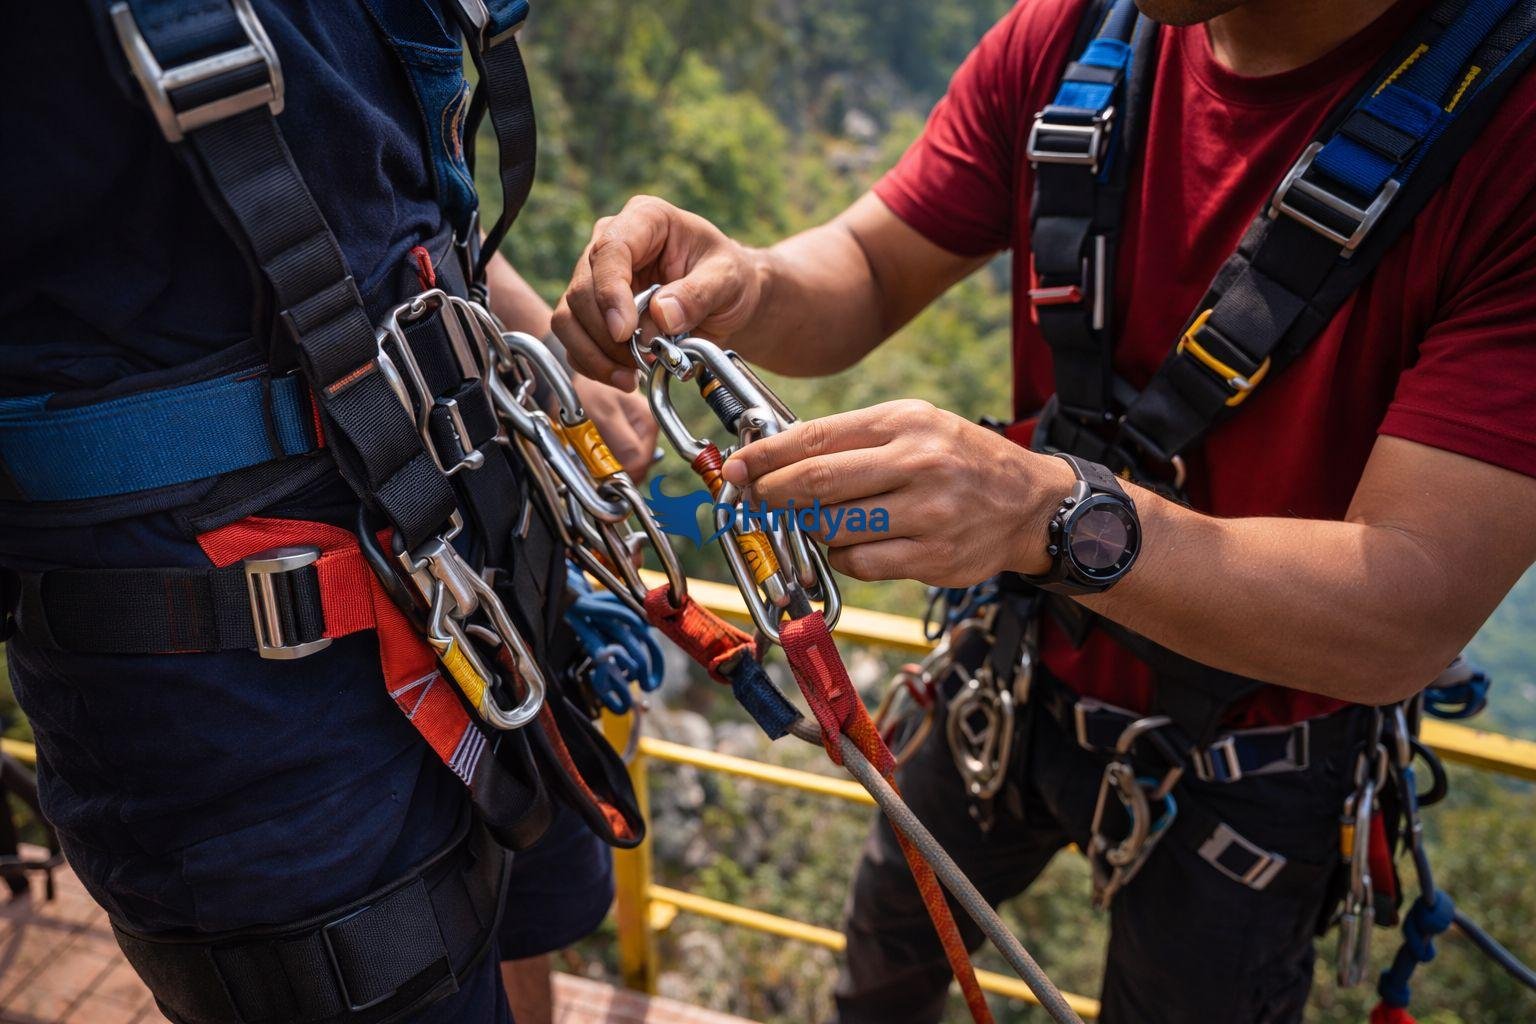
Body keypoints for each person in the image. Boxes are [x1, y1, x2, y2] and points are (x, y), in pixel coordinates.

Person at [552, 0, 1536, 1020]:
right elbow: (873, 266)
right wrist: (747, 285)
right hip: (1020, 663)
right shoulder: (1080, 36)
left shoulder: (1511, 133)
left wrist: (1047, 515)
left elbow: (1404, 611)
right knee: (885, 957)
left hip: (1261, 753)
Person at [1, 2, 654, 1022]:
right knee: (409, 968)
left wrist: (525, 337)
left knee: (524, 898)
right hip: (244, 682)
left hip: (480, 528)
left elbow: (374, 164)